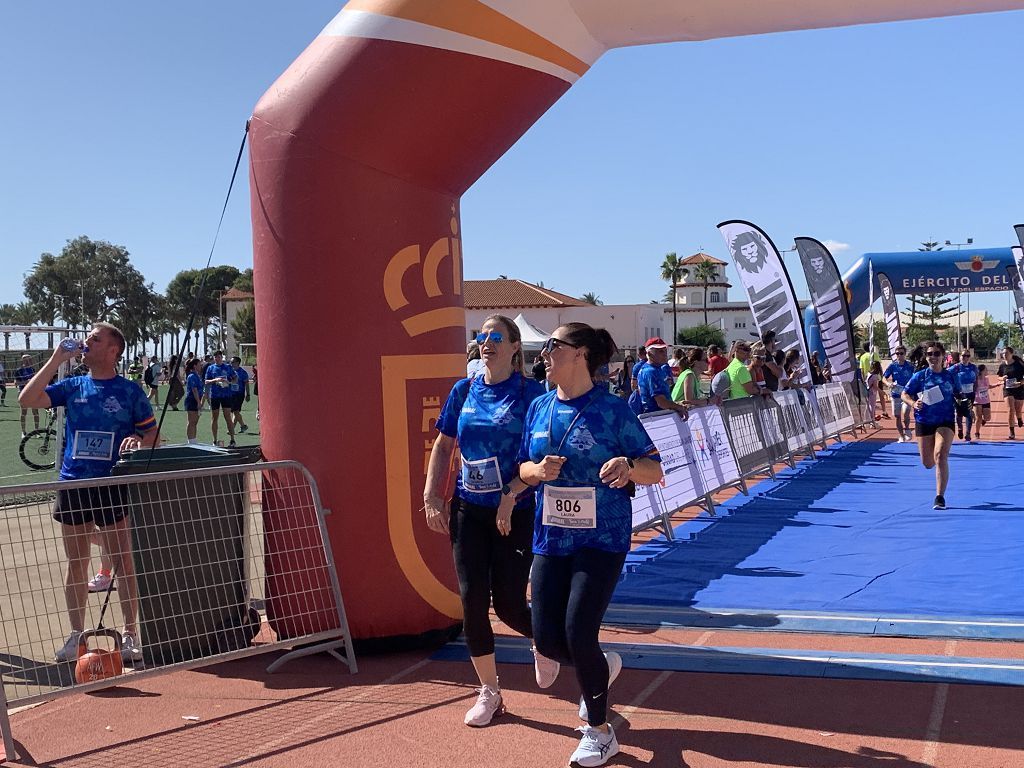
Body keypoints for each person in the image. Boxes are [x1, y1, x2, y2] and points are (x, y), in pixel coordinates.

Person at [518, 322, 664, 768]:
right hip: (552, 536)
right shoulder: (539, 407)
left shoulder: (613, 410)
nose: (545, 354)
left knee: (580, 631)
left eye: (553, 346)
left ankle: (600, 732)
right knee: (546, 637)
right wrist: (536, 473)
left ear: (580, 354)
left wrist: (627, 465)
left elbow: (654, 469)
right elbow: (522, 468)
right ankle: (600, 664)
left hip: (603, 536)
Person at [423, 315, 549, 727]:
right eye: (482, 336)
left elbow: (538, 460)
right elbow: (443, 446)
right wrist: (431, 496)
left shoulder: (532, 395)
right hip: (468, 510)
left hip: (515, 509)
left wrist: (511, 495)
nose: (486, 342)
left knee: (511, 605)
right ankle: (490, 692)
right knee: (471, 600)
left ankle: (552, 643)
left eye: (496, 337)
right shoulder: (463, 390)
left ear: (515, 347)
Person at [18, 322, 158, 663]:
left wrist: (139, 442)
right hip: (74, 484)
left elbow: (152, 434)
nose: (86, 343)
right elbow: (29, 398)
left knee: (124, 562)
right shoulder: (74, 385)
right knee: (76, 564)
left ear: (113, 350)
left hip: (111, 485)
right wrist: (55, 358)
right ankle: (77, 635)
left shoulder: (130, 391)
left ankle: (129, 634)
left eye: (94, 339)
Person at [902, 341, 960, 510]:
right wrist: (913, 403)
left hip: (945, 420)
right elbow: (905, 393)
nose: (933, 357)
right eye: (929, 354)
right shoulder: (920, 376)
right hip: (924, 421)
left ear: (943, 356)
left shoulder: (950, 375)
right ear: (926, 357)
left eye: (936, 353)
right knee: (928, 463)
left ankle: (939, 497)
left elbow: (959, 393)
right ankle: (936, 462)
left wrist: (964, 404)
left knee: (941, 455)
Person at [634, 337, 688, 418]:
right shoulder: (651, 371)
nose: (665, 354)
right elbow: (661, 402)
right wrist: (679, 407)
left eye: (665, 350)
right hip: (656, 418)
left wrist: (676, 405)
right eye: (660, 351)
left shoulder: (656, 369)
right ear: (649, 354)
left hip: (658, 417)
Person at [204, 350, 237, 447]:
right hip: (215, 395)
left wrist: (229, 382)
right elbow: (206, 381)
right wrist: (216, 380)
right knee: (214, 417)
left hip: (226, 395)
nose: (217, 359)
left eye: (218, 357)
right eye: (215, 357)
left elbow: (235, 379)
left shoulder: (227, 367)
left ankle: (232, 440)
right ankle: (214, 440)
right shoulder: (210, 368)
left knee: (228, 417)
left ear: (221, 357)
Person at [883, 346, 915, 443]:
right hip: (895, 394)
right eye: (897, 353)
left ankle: (907, 428)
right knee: (897, 416)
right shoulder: (893, 366)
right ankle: (901, 436)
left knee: (905, 413)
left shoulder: (910, 366)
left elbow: (915, 377)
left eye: (901, 353)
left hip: (906, 394)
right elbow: (884, 378)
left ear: (905, 354)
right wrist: (888, 383)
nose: (899, 355)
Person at [949, 349, 978, 442]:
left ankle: (968, 433)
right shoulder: (956, 367)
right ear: (960, 356)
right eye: (963, 355)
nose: (965, 357)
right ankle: (960, 428)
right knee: (959, 412)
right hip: (959, 394)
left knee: (969, 413)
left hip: (970, 393)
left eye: (967, 356)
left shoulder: (973, 367)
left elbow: (976, 380)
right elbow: (947, 375)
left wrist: (975, 390)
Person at [996, 346, 1024, 440]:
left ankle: (1019, 418)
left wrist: (1020, 383)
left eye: (1006, 353)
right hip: (1008, 389)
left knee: (1018, 410)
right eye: (1003, 353)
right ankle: (1012, 432)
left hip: (1019, 388)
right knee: (1010, 410)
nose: (1004, 355)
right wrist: (1002, 378)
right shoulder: (1002, 365)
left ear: (1011, 354)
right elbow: (998, 376)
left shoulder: (1019, 364)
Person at [15, 354, 41, 437]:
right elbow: (16, 383)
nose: (29, 361)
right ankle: (23, 432)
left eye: (30, 359)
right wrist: (27, 382)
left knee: (35, 412)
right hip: (23, 393)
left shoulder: (32, 369)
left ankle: (37, 431)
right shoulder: (19, 370)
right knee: (24, 412)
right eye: (26, 360)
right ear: (23, 361)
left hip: (33, 392)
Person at [228, 356, 251, 434]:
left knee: (236, 411)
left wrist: (248, 394)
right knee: (235, 412)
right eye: (230, 362)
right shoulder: (229, 372)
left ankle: (232, 429)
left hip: (239, 394)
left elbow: (247, 384)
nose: (231, 364)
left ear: (237, 363)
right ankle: (243, 425)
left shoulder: (242, 372)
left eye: (233, 362)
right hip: (231, 394)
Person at [184, 359, 204, 443]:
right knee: (191, 421)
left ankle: (194, 439)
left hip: (197, 399)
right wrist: (199, 402)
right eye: (199, 365)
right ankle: (190, 440)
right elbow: (194, 390)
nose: (201, 366)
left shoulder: (197, 376)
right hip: (192, 400)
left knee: (195, 421)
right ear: (195, 366)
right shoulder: (191, 376)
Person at [973, 364, 991, 440]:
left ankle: (984, 420)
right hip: (977, 400)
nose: (987, 371)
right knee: (978, 417)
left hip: (986, 400)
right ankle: (977, 432)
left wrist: (996, 385)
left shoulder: (986, 379)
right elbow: (972, 389)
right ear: (982, 371)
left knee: (988, 418)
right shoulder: (975, 379)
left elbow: (988, 386)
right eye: (986, 369)